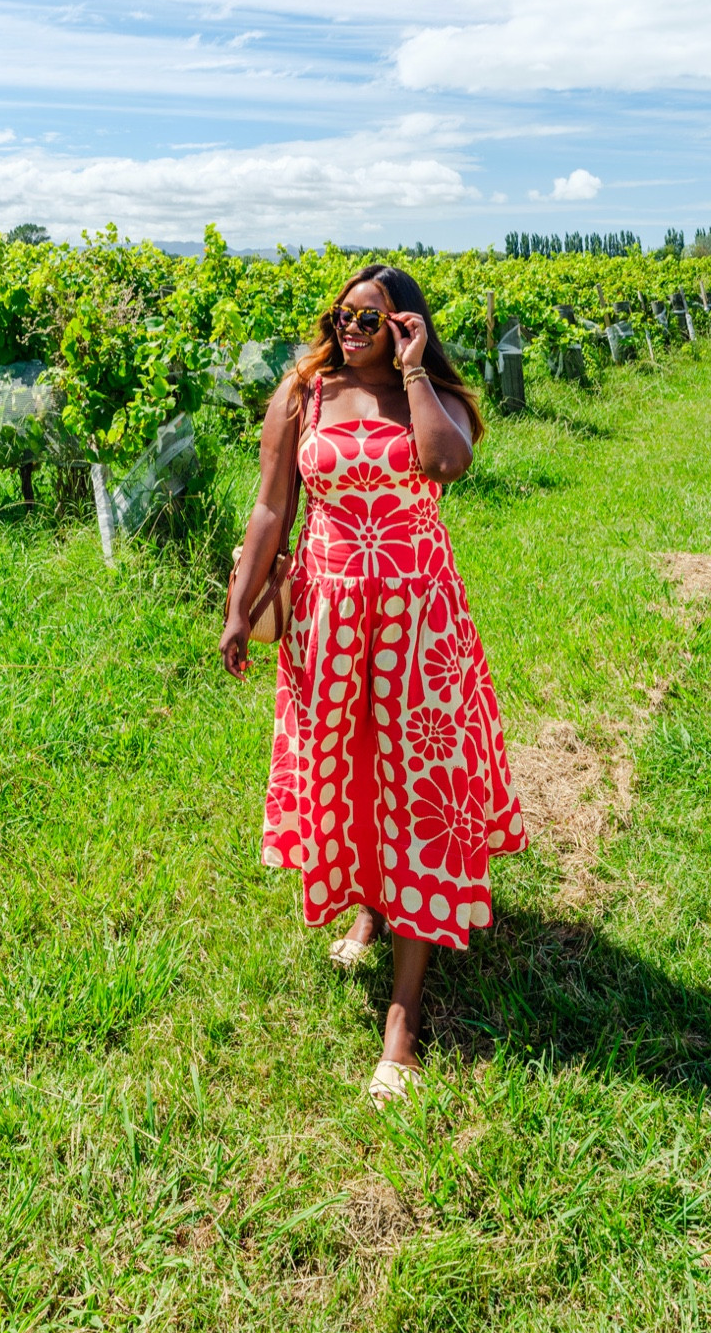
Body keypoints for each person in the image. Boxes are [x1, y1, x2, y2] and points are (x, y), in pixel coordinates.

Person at [220, 264, 524, 1105]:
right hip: (326, 613)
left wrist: (416, 371)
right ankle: (367, 908)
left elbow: (447, 463)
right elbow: (270, 509)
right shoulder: (303, 393)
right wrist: (242, 606)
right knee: (350, 769)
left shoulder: (429, 395)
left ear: (405, 327)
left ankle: (403, 1019)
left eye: (371, 319)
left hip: (417, 621)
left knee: (416, 788)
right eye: (342, 315)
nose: (351, 329)